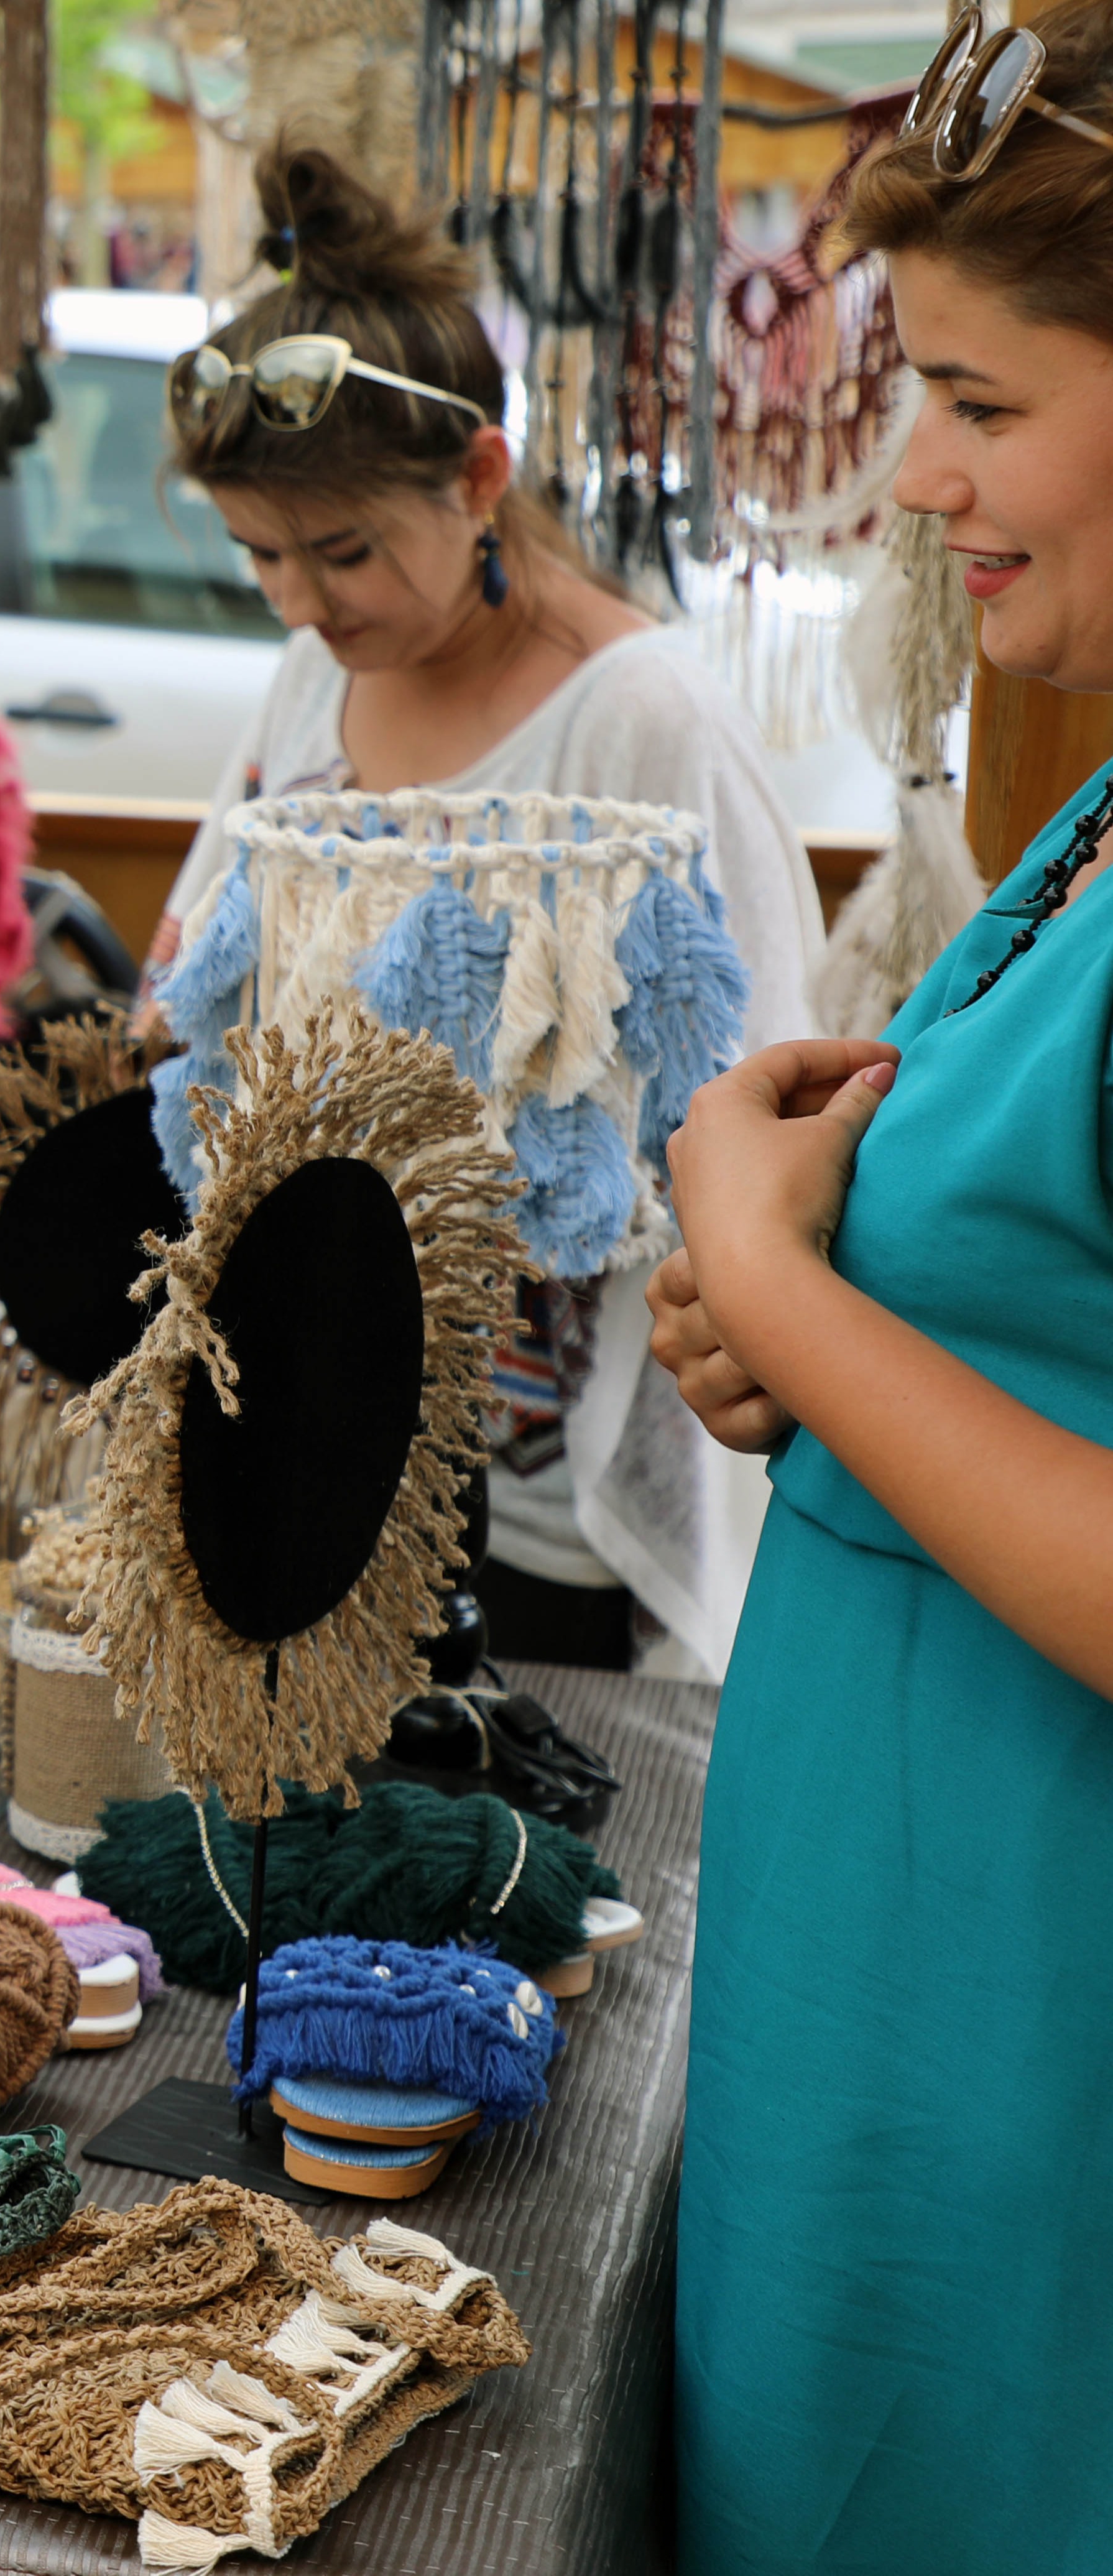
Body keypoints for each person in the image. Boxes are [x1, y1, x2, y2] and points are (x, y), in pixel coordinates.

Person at [655, 5, 1113, 2556]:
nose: (917, 475)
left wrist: (775, 1275)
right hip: (902, 2023)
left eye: (980, 399)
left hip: (1044, 2078)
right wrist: (794, 1328)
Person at [149, 149, 823, 1677]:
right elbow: (203, 952)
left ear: (478, 483)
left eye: (344, 551)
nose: (305, 602)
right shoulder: (322, 666)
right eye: (261, 555)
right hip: (325, 1392)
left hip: (548, 1474)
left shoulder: (641, 722)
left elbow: (752, 1078)